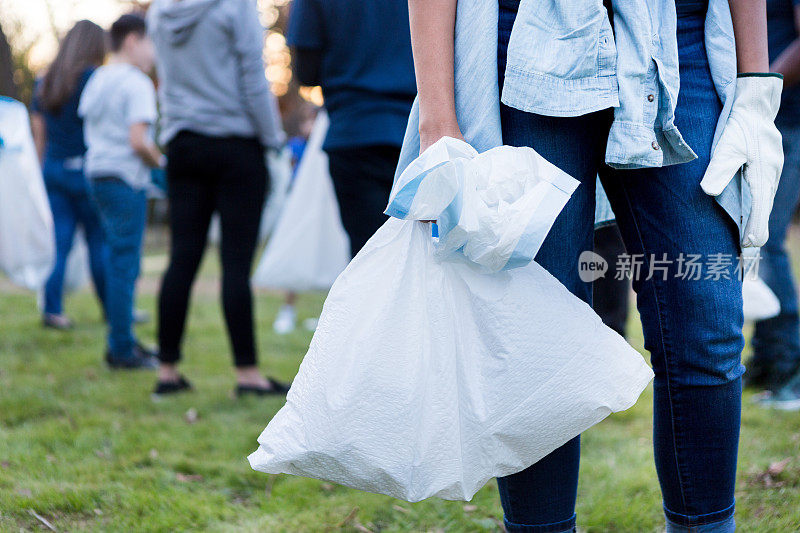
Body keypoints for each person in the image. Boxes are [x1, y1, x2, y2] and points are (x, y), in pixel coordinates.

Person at [405, 0, 783, 531]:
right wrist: (437, 118)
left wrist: (755, 84)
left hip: (678, 38)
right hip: (531, 38)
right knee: (536, 338)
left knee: (707, 326)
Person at [147, 0, 288, 396]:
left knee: (182, 258)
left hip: (183, 144)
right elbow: (252, 77)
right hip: (236, 145)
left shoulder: (160, 12)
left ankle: (167, 372)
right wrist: (273, 138)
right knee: (235, 264)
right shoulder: (235, 6)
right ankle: (247, 375)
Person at [287, 0, 417, 257]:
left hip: (354, 131)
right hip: (415, 131)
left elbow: (306, 71)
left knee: (367, 257)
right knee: (422, 258)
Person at [78, 14, 162, 369]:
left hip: (96, 174)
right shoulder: (136, 83)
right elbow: (137, 141)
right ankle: (122, 350)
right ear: (132, 40)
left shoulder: (99, 77)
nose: (155, 52)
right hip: (125, 179)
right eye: (150, 42)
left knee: (117, 261)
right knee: (124, 266)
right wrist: (162, 162)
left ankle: (123, 341)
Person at [29, 20, 108, 330]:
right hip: (89, 171)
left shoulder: (44, 81)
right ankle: (113, 310)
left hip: (54, 171)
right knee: (100, 244)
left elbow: (40, 137)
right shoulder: (97, 80)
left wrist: (38, 176)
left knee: (58, 246)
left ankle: (52, 311)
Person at [747, 0, 800, 409]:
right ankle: (766, 362)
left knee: (767, 242)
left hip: (783, 118)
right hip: (770, 116)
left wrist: (761, 90)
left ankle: (790, 372)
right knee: (756, 239)